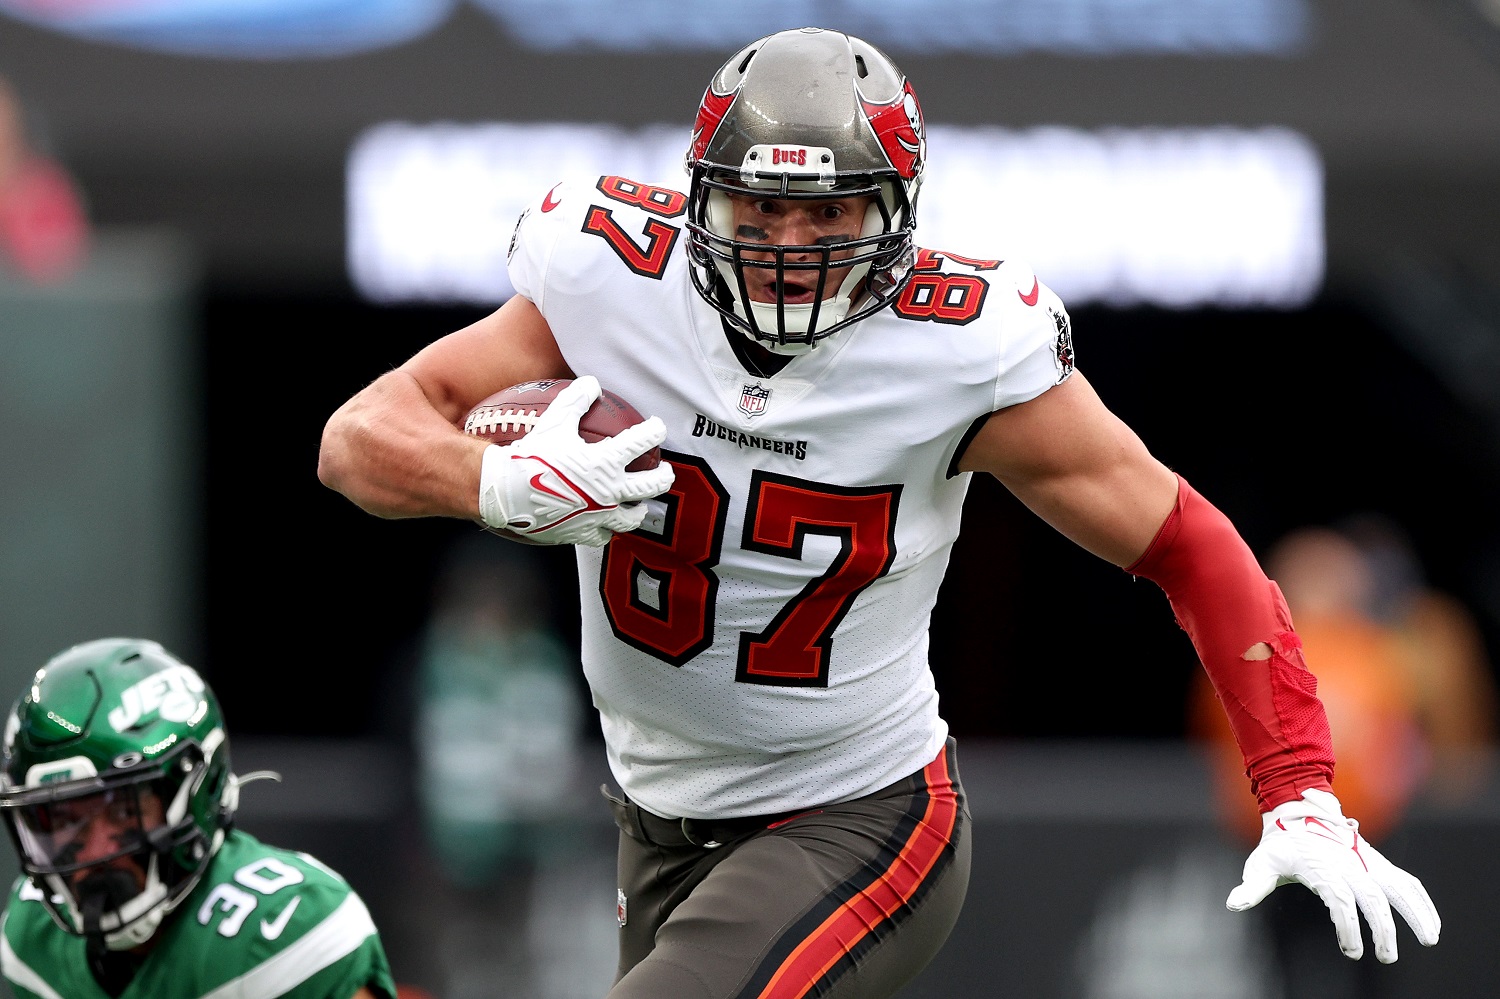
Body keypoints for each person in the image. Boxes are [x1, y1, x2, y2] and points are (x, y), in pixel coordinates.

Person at [317, 26, 1441, 998]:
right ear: (702, 197)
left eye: (830, 211)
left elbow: (1191, 546)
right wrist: (496, 483)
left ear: (894, 213)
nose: (790, 250)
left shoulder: (961, 350)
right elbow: (356, 442)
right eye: (761, 206)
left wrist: (1297, 786)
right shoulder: (608, 279)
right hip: (655, 819)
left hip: (856, 816)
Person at [0, 638, 398, 999]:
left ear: (195, 792)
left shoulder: (285, 930)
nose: (96, 850)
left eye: (123, 812)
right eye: (66, 819)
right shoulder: (34, 939)